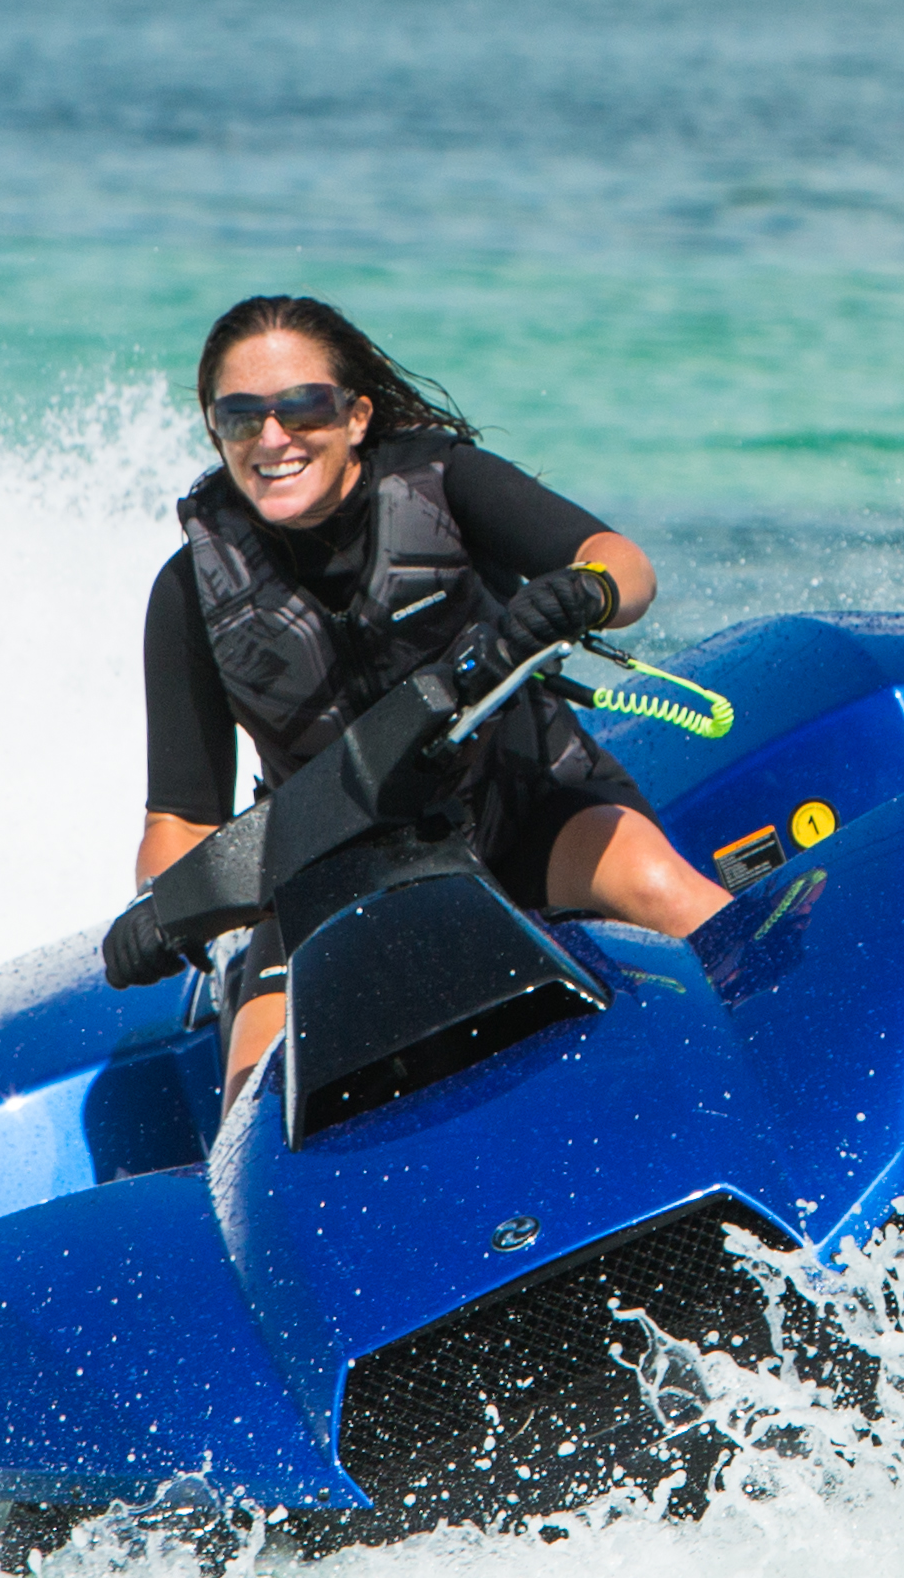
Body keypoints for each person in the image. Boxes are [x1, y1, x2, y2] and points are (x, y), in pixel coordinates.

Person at [134, 294, 729, 1086]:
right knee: (253, 1080)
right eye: (241, 417)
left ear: (355, 415)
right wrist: (167, 907)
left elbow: (621, 563)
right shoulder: (189, 593)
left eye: (301, 407)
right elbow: (177, 820)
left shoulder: (444, 483)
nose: (272, 437)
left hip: (522, 808)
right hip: (328, 874)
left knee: (659, 886)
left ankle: (816, 1044)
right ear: (217, 433)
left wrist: (583, 592)